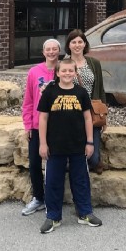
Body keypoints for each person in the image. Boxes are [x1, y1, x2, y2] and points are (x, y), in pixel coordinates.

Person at [37, 57, 102, 233]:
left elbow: (88, 118)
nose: (67, 73)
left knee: (81, 181)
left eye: (70, 71)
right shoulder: (50, 92)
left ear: (75, 73)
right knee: (53, 182)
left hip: (78, 146)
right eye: (63, 71)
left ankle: (85, 213)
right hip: (55, 146)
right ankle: (53, 217)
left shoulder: (81, 92)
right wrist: (42, 143)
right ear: (57, 73)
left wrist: (90, 141)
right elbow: (43, 118)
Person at [20, 38, 60, 216]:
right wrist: (28, 124)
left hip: (58, 125)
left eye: (54, 49)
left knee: (55, 165)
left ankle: (53, 200)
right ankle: (38, 198)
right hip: (37, 125)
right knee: (35, 163)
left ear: (59, 51)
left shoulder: (64, 70)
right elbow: (28, 101)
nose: (51, 52)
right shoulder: (34, 72)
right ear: (43, 52)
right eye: (48, 49)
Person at [65, 28, 107, 173]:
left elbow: (100, 89)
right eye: (73, 42)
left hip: (91, 113)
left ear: (85, 44)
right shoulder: (64, 65)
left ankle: (88, 165)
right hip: (70, 114)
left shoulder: (94, 63)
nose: (77, 45)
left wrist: (104, 116)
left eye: (80, 42)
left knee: (93, 159)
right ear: (69, 45)